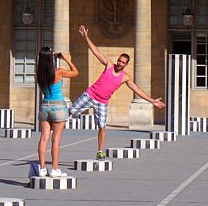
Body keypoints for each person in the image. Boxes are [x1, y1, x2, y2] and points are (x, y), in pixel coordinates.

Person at [71, 25, 165, 160]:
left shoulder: (125, 77)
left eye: (122, 62)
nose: (119, 63)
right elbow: (96, 52)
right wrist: (86, 37)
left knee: (102, 127)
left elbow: (137, 90)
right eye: (119, 60)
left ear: (126, 64)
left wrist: (152, 101)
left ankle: (100, 151)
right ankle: (52, 130)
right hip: (90, 95)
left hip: (102, 102)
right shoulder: (109, 65)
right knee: (70, 111)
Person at [35, 46, 78, 178]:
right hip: (58, 106)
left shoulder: (39, 74)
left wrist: (48, 55)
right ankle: (54, 169)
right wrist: (65, 58)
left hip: (44, 106)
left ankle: (42, 168)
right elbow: (75, 72)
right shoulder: (58, 72)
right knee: (56, 140)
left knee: (43, 138)